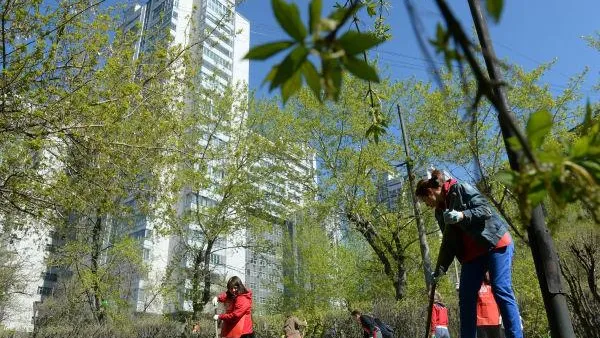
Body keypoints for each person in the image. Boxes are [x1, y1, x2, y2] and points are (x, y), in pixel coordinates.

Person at [416, 169, 523, 338]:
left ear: (431, 192)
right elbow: (449, 244)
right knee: (466, 298)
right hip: (473, 256)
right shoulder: (439, 212)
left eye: (425, 200)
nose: (427, 205)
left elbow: (485, 210)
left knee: (500, 288)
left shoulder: (461, 189)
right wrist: (440, 270)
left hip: (495, 242)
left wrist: (462, 215)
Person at [477, 273, 504, 338]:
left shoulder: (497, 283)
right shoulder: (476, 283)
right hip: (481, 322)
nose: (487, 274)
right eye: (486, 272)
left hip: (495, 321)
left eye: (489, 272)